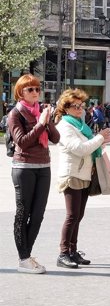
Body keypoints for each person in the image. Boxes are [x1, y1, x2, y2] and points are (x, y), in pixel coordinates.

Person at [54, 89, 110, 269]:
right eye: (76, 106)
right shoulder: (65, 126)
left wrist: (103, 140)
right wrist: (99, 138)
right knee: (72, 215)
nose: (80, 109)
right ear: (66, 108)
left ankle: (73, 251)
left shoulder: (80, 124)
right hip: (72, 174)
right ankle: (63, 253)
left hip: (84, 173)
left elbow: (88, 146)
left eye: (81, 105)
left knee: (78, 215)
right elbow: (79, 149)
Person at [8, 74, 60, 273]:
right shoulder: (16, 113)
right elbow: (22, 141)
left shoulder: (41, 112)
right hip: (24, 168)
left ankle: (26, 256)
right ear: (21, 92)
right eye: (30, 89)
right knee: (23, 213)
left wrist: (48, 121)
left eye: (38, 89)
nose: (36, 93)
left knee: (38, 214)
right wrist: (40, 124)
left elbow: (55, 138)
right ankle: (24, 258)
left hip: (43, 166)